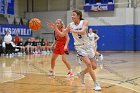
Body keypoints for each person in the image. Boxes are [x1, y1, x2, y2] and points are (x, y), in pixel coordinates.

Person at [47, 10, 101, 91]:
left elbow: (83, 31)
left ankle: (82, 73)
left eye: (73, 15)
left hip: (88, 46)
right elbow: (62, 34)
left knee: (94, 66)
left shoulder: (84, 22)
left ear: (78, 16)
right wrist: (55, 28)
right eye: (71, 15)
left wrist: (72, 31)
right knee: (89, 64)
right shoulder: (70, 25)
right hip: (79, 47)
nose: (72, 16)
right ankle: (96, 83)